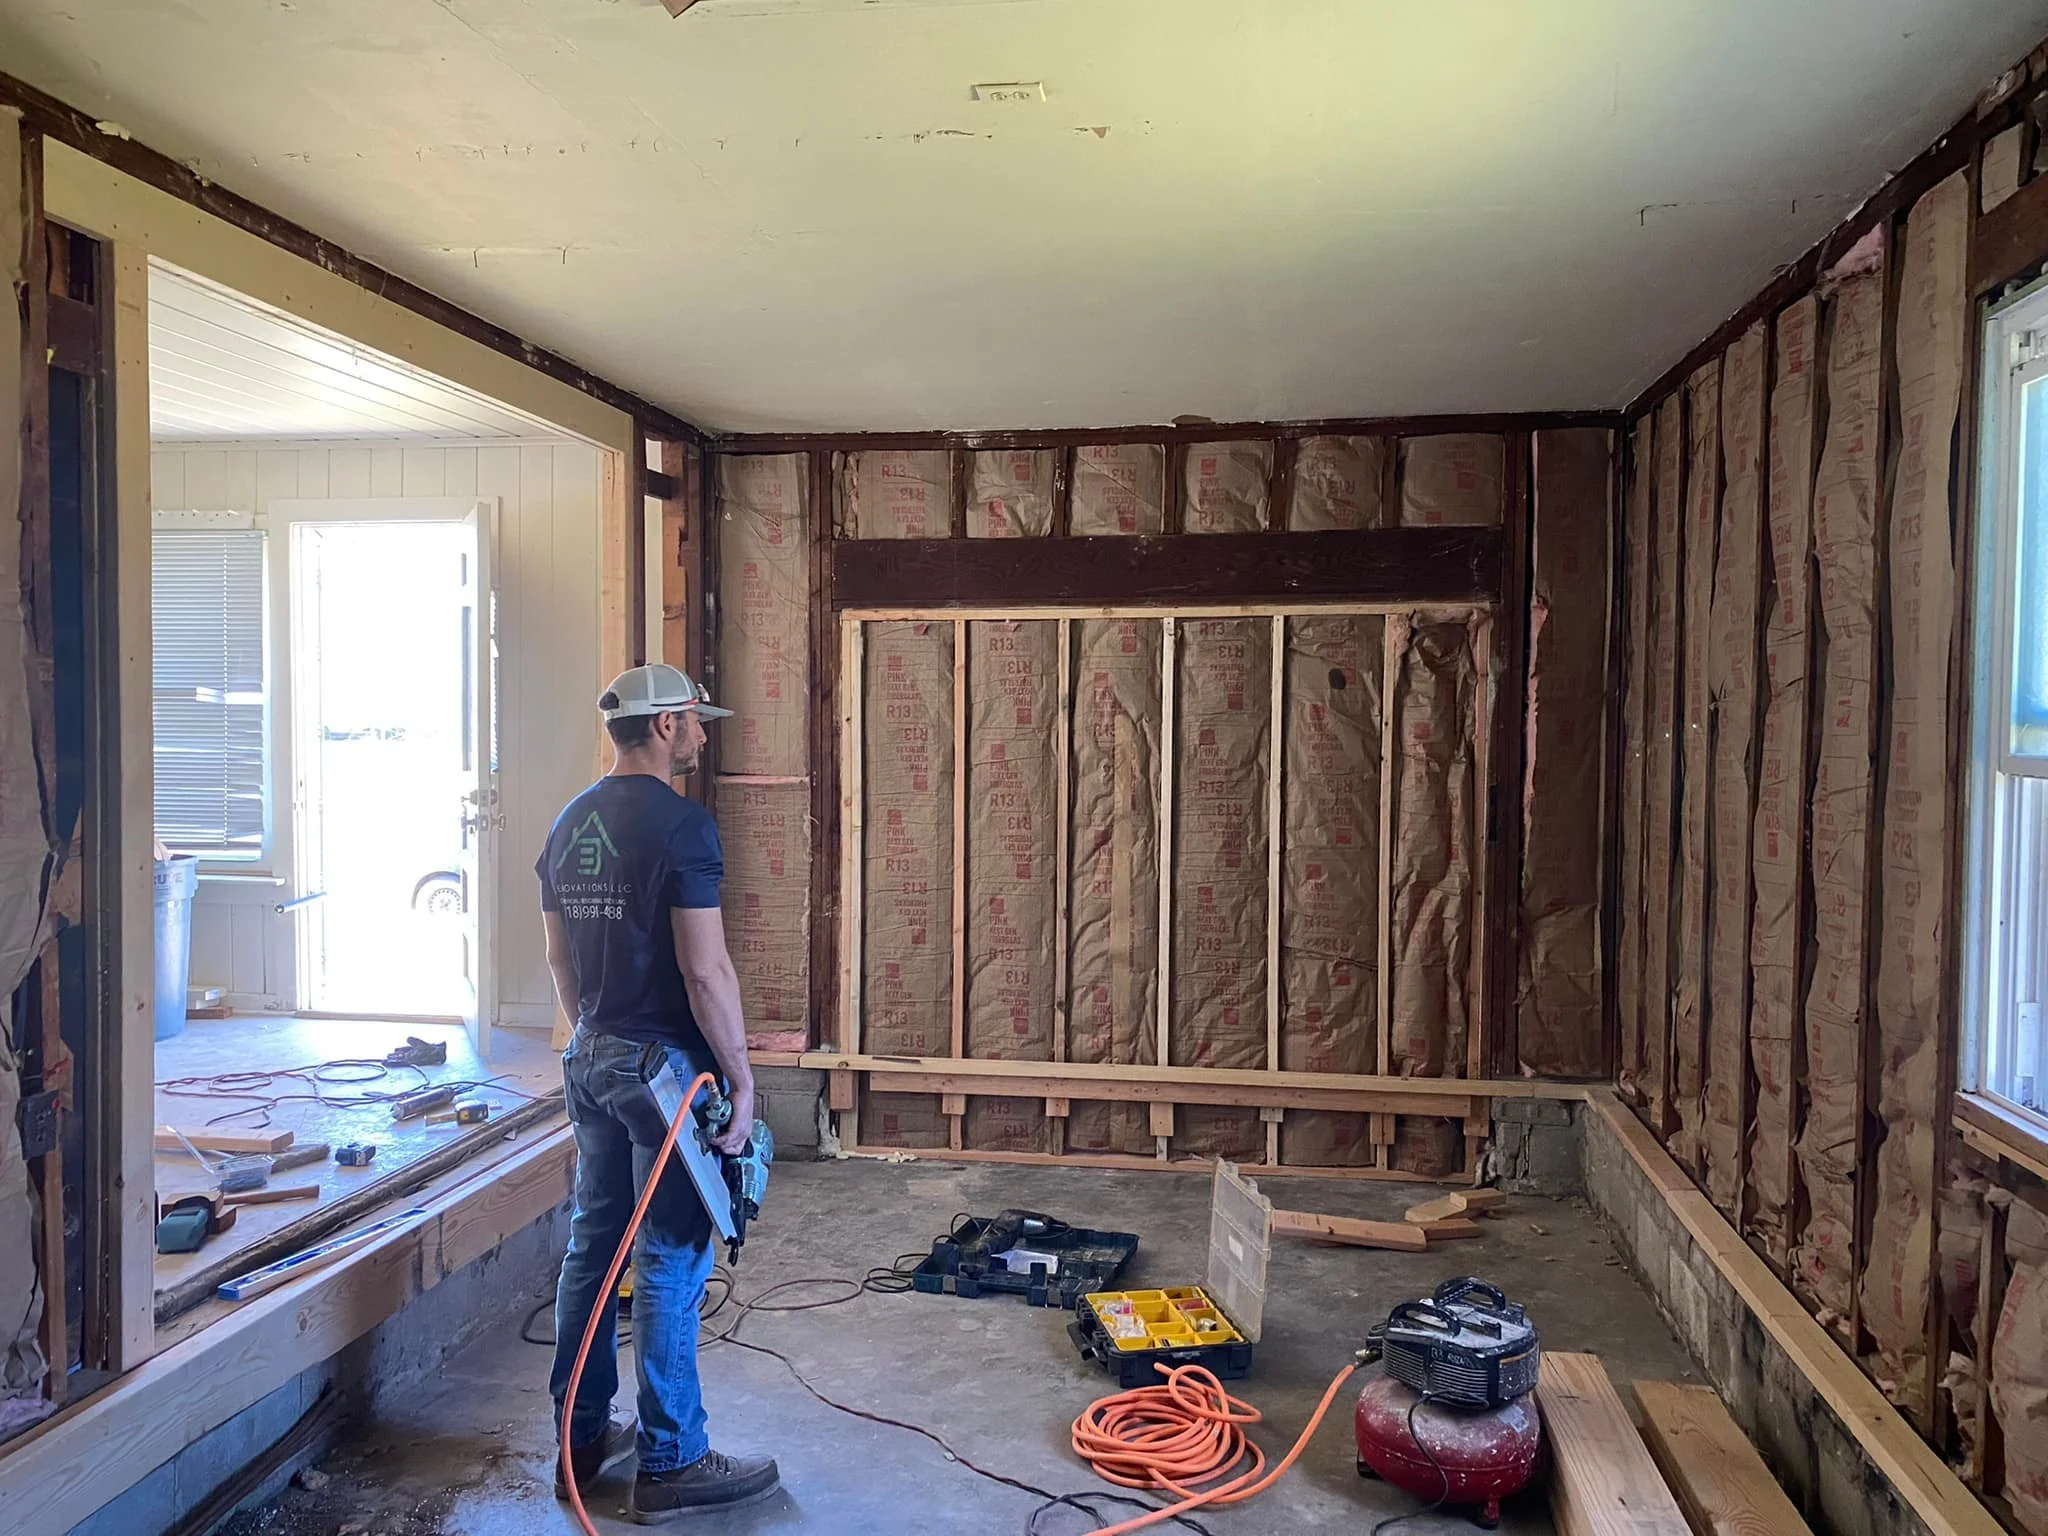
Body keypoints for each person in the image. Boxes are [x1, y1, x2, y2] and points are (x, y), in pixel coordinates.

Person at [538, 662, 780, 1522]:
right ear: (668, 725)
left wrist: (598, 1037)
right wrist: (745, 1085)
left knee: (592, 1246)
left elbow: (560, 962)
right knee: (671, 1253)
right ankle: (673, 1461)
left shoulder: (569, 826)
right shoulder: (683, 829)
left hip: (594, 1055)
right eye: (697, 722)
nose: (706, 737)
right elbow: (704, 969)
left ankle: (579, 1434)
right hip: (664, 1075)